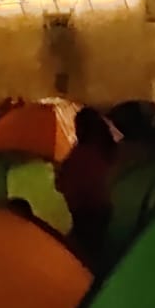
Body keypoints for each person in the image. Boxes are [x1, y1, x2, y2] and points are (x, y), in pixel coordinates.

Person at [56, 107, 118, 271]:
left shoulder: (76, 158)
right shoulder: (111, 152)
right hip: (106, 213)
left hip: (83, 215)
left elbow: (61, 184)